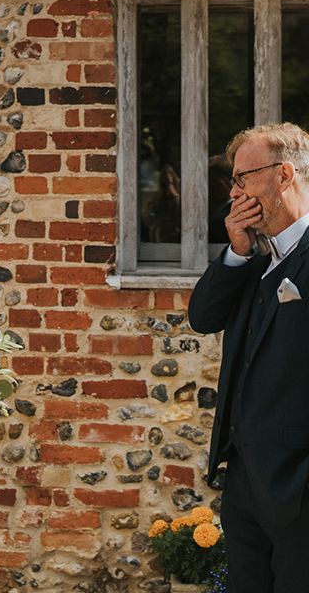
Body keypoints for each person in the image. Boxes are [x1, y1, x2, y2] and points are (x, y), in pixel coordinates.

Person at [189, 122, 309, 593]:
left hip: (297, 489)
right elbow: (203, 316)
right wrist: (236, 252)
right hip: (244, 483)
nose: (234, 190)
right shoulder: (256, 255)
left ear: (283, 174)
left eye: (243, 177)